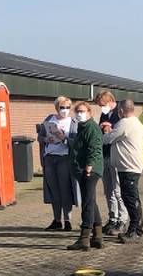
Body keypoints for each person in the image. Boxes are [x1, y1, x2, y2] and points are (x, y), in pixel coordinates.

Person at [102, 99, 143, 242]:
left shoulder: (124, 123)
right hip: (130, 166)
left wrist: (107, 130)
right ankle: (134, 228)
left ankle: (136, 230)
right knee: (130, 198)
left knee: (131, 199)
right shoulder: (136, 122)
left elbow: (108, 139)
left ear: (121, 111)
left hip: (128, 167)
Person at [67, 101, 104, 251]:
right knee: (91, 201)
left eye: (82, 111)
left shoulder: (91, 128)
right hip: (83, 169)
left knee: (87, 203)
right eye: (77, 111)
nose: (79, 114)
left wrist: (89, 166)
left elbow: (94, 148)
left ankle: (84, 238)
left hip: (90, 170)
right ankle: (98, 236)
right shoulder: (82, 127)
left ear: (89, 112)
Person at [38, 96, 78, 231]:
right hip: (50, 158)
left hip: (64, 158)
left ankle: (67, 220)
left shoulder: (73, 122)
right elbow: (40, 136)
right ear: (57, 108)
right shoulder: (50, 119)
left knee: (65, 189)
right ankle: (56, 220)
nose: (65, 110)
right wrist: (45, 138)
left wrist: (64, 138)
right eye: (62, 107)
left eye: (67, 107)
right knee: (54, 190)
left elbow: (76, 142)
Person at [96, 91, 129, 235]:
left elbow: (120, 132)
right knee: (108, 190)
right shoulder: (104, 114)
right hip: (105, 154)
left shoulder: (119, 113)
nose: (101, 108)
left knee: (117, 190)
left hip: (115, 155)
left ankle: (122, 219)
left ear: (109, 101)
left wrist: (110, 128)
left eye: (102, 105)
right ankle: (112, 218)